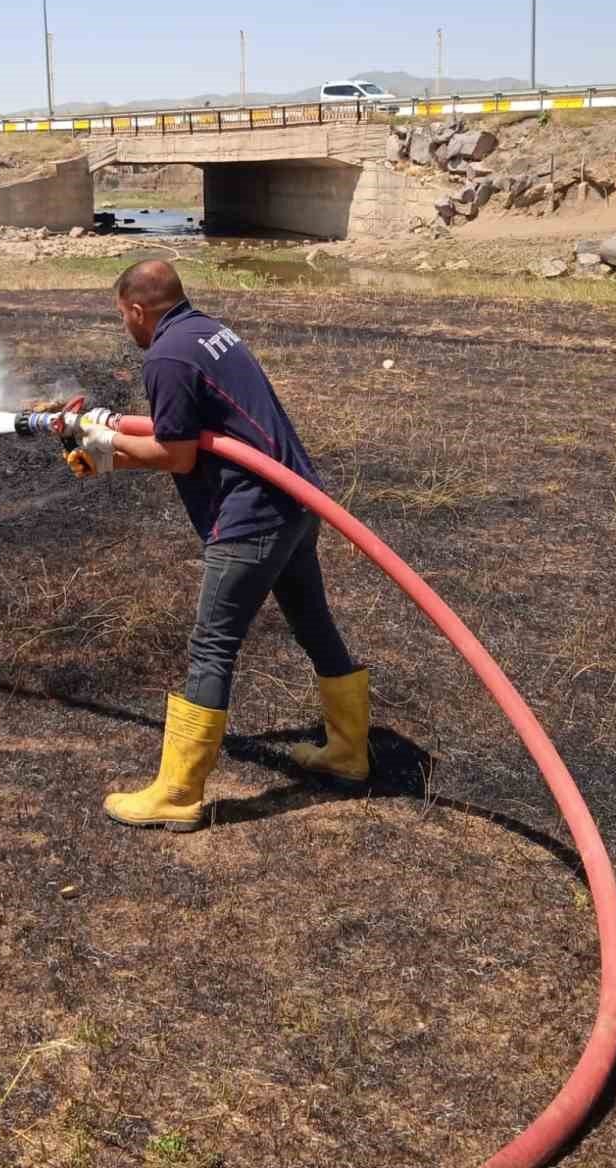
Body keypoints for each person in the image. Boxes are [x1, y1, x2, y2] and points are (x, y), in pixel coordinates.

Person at [70, 258, 370, 832]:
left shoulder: (164, 355)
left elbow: (177, 454)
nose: (126, 328)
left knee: (212, 648)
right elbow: (194, 433)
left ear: (137, 310)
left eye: (123, 317)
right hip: (295, 503)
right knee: (313, 624)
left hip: (253, 515)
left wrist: (106, 446)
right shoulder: (207, 330)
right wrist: (107, 437)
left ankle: (178, 794)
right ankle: (349, 753)